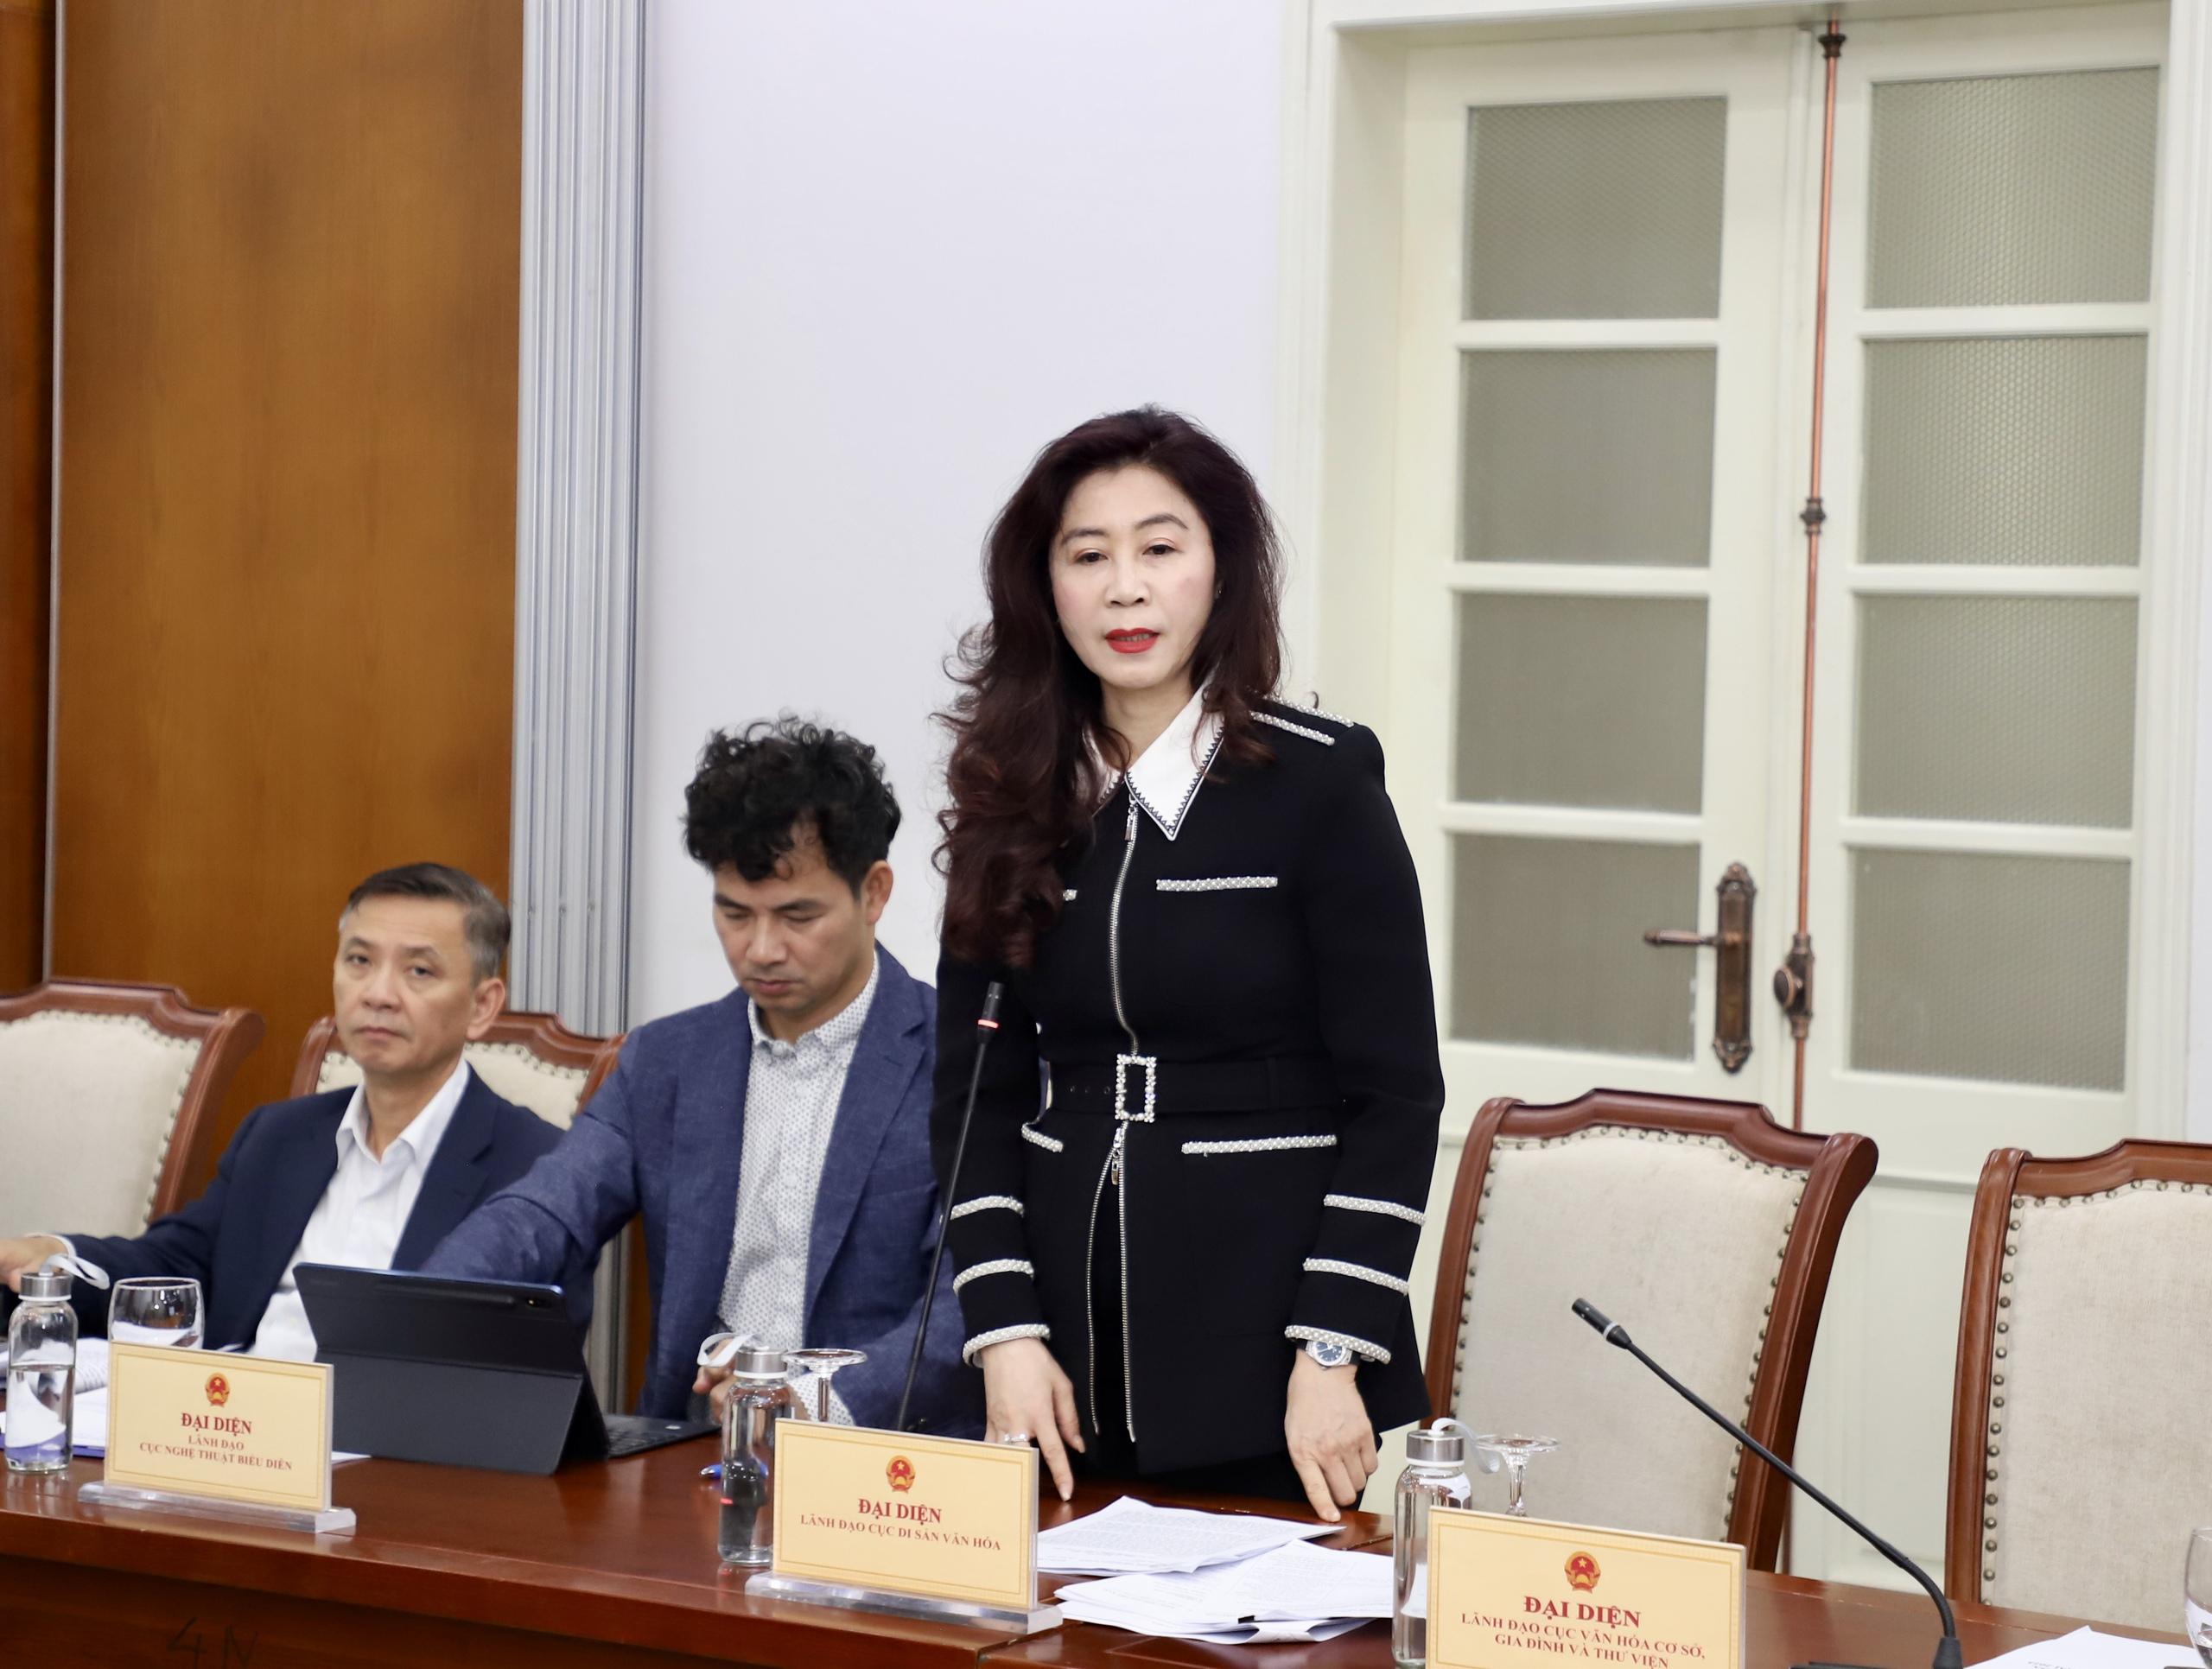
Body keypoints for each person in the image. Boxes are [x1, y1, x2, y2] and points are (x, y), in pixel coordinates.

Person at [932, 407, 1445, 1520]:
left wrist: (1332, 1352)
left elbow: (1397, 1097)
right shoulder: (1009, 796)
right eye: (1088, 556)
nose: (1126, 590)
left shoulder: (1320, 785)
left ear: (1221, 570)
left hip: (1276, 1357)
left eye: (1160, 549)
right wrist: (1003, 1331)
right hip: (1059, 1361)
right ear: (1045, 585)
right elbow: (974, 1099)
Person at [429, 720, 980, 1434]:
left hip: (884, 1458)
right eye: (734, 913)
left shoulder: (961, 1061)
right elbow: (548, 1212)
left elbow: (969, 1297)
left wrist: (815, 1402)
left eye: (797, 916)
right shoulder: (667, 1061)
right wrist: (433, 1300)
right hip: (692, 1451)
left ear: (873, 893)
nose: (761, 949)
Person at [0, 864, 580, 1357]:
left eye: (419, 971)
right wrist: (56, 1258)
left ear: (482, 1006)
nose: (378, 994)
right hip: (231, 1427)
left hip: (392, 1445)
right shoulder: (279, 1134)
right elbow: (179, 1263)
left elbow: (526, 1370)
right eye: (359, 960)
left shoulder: (538, 1169)